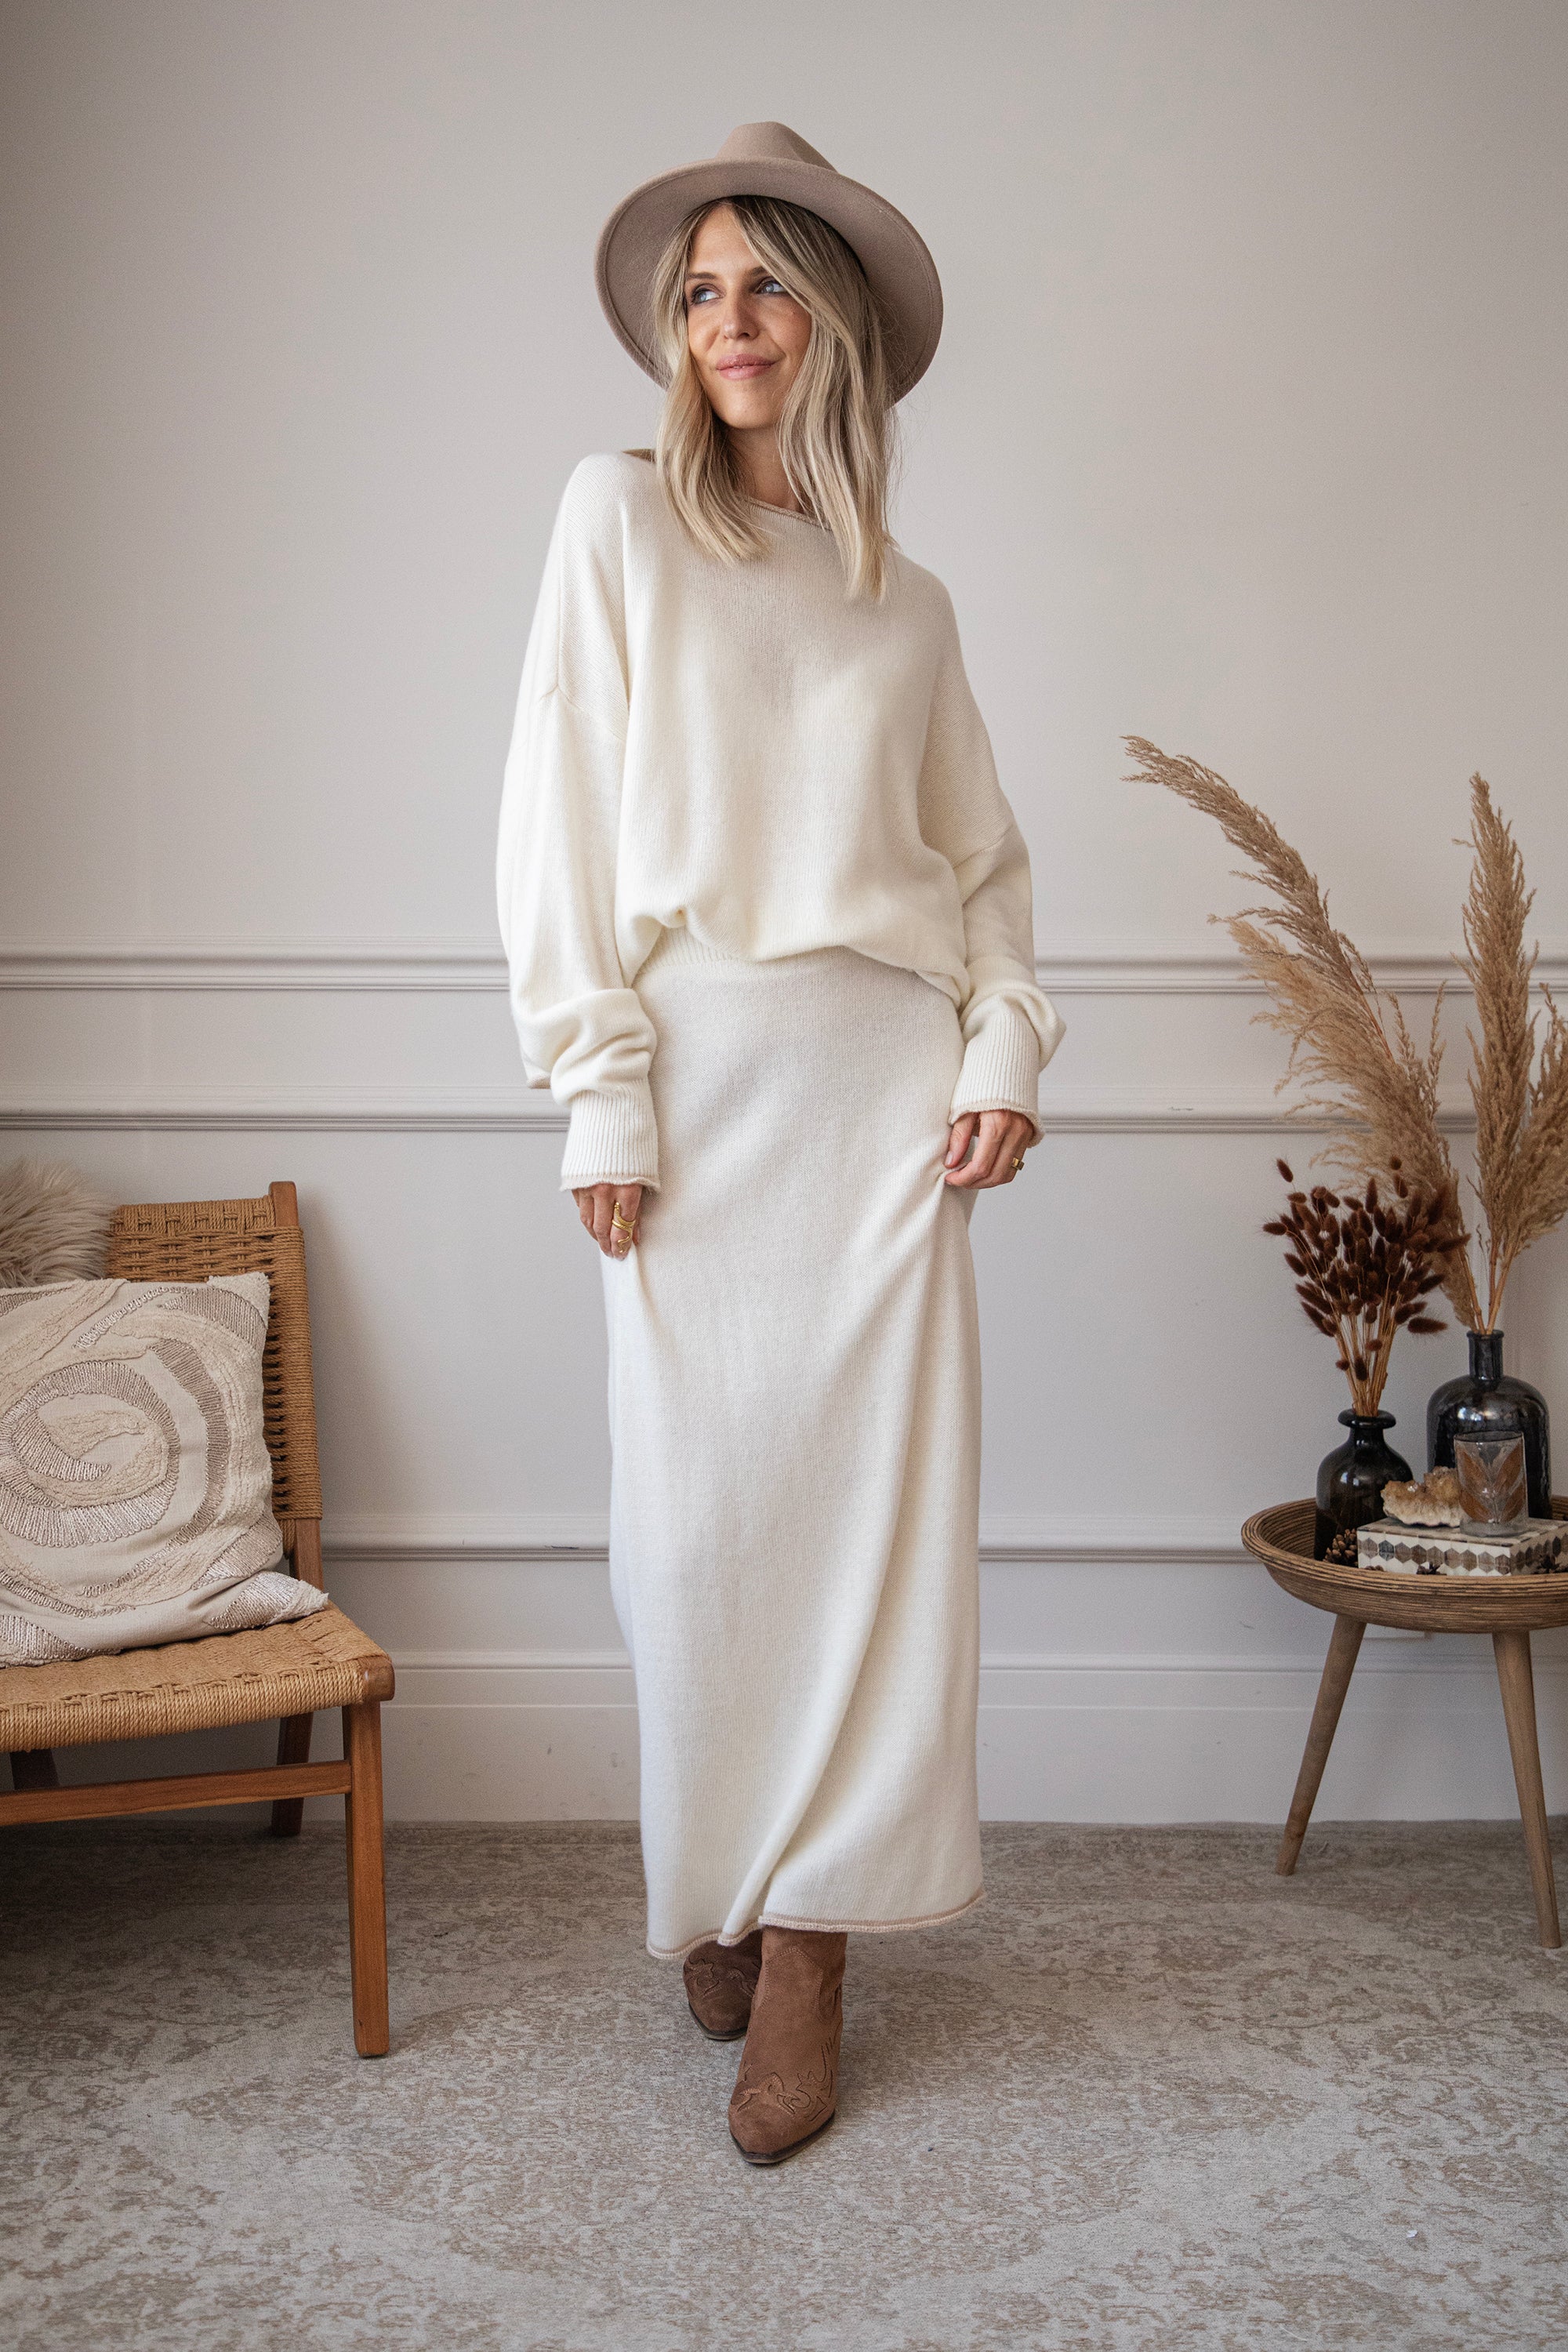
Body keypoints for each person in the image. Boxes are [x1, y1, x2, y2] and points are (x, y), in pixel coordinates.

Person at [496, 122, 1063, 2165]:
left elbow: (985, 877)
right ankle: (725, 1866)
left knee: (873, 1544)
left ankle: (814, 1944)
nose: (726, 320)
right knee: (697, 1539)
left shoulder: (910, 604)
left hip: (881, 1107)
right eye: (698, 289)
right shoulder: (615, 521)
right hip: (702, 1087)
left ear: (832, 321)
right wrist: (603, 1081)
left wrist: (1003, 1045)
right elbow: (557, 816)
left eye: (761, 285)